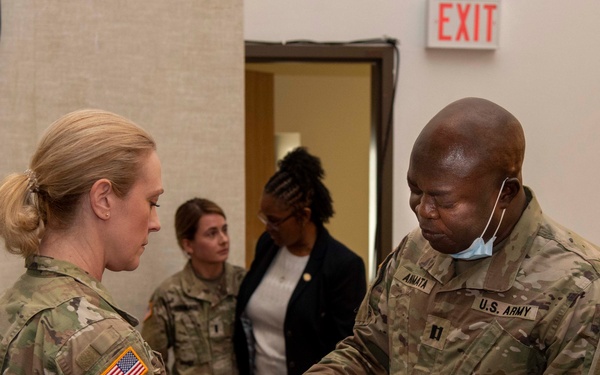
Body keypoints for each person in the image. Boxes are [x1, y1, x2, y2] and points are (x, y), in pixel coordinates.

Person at [305, 97, 600, 374]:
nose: (422, 210)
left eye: (443, 201)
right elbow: (368, 354)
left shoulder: (579, 289)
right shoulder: (415, 250)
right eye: (415, 190)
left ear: (505, 193)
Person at [0, 109, 166, 374]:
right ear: (103, 199)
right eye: (152, 202)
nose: (155, 222)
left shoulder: (12, 306)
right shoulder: (103, 343)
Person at [233, 147, 367, 375]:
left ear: (303, 216)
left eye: (274, 220)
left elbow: (347, 349)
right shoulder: (268, 245)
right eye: (264, 217)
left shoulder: (342, 266)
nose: (267, 227)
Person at [141, 197, 246, 375]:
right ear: (188, 245)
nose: (224, 240)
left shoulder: (244, 283)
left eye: (224, 230)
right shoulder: (169, 295)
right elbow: (150, 361)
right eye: (212, 233)